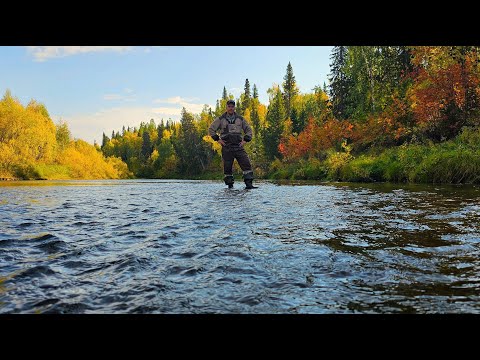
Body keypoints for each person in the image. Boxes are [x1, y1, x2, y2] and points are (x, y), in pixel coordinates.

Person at [208, 99, 257, 189]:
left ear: (234, 108)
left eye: (232, 106)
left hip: (238, 146)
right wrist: (218, 139)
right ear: (226, 107)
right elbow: (211, 129)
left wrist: (245, 140)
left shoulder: (240, 119)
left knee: (246, 164)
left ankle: (249, 184)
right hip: (227, 146)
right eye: (229, 106)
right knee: (227, 167)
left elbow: (249, 130)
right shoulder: (220, 119)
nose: (231, 108)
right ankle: (230, 186)